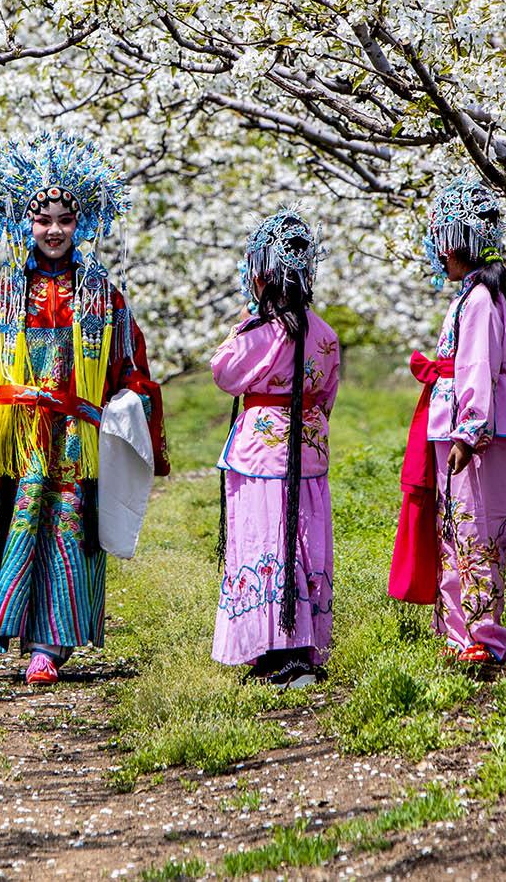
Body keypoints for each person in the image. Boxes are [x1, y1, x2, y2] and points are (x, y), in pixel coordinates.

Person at [0, 130, 166, 685]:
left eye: (65, 219)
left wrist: (130, 404)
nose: (54, 230)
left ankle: (51, 644)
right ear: (23, 223)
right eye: (43, 220)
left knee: (68, 529)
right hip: (15, 440)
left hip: (75, 441)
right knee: (17, 524)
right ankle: (16, 627)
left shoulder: (102, 295)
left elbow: (132, 367)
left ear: (81, 223)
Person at [388, 176, 506, 663]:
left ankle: (482, 637)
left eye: (443, 243)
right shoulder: (469, 297)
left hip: (473, 434)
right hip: (453, 428)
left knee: (476, 532)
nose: (439, 254)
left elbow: (476, 367)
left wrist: (469, 431)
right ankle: (457, 632)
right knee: (454, 530)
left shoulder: (481, 300)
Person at [210, 210, 342, 688]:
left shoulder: (258, 330)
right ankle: (302, 647)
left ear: (262, 273)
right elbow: (327, 394)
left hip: (260, 449)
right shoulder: (323, 333)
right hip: (308, 446)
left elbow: (223, 373)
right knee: (305, 540)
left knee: (265, 540)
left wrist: (247, 320)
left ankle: (271, 648)